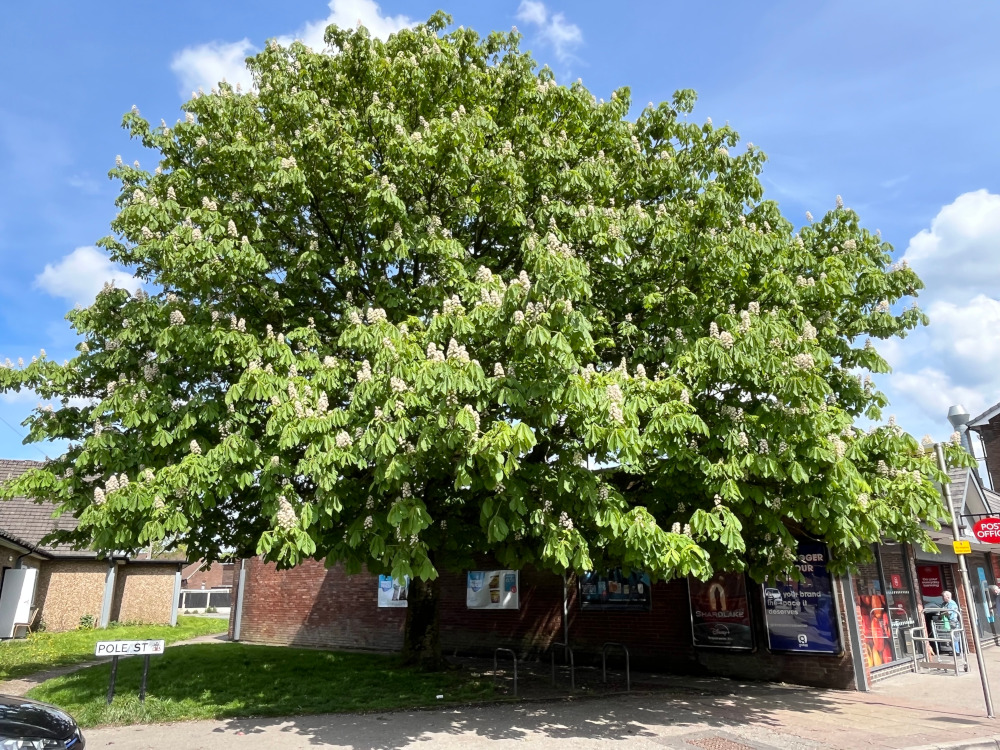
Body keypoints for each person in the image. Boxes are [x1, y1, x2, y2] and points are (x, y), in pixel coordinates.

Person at [941, 590, 963, 656]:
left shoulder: (952, 603)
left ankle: (957, 651)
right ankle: (954, 650)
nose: (942, 598)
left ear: (948, 597)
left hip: (953, 622)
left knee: (954, 637)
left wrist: (943, 612)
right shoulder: (944, 604)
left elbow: (949, 612)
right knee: (950, 636)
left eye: (943, 596)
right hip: (947, 622)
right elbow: (941, 611)